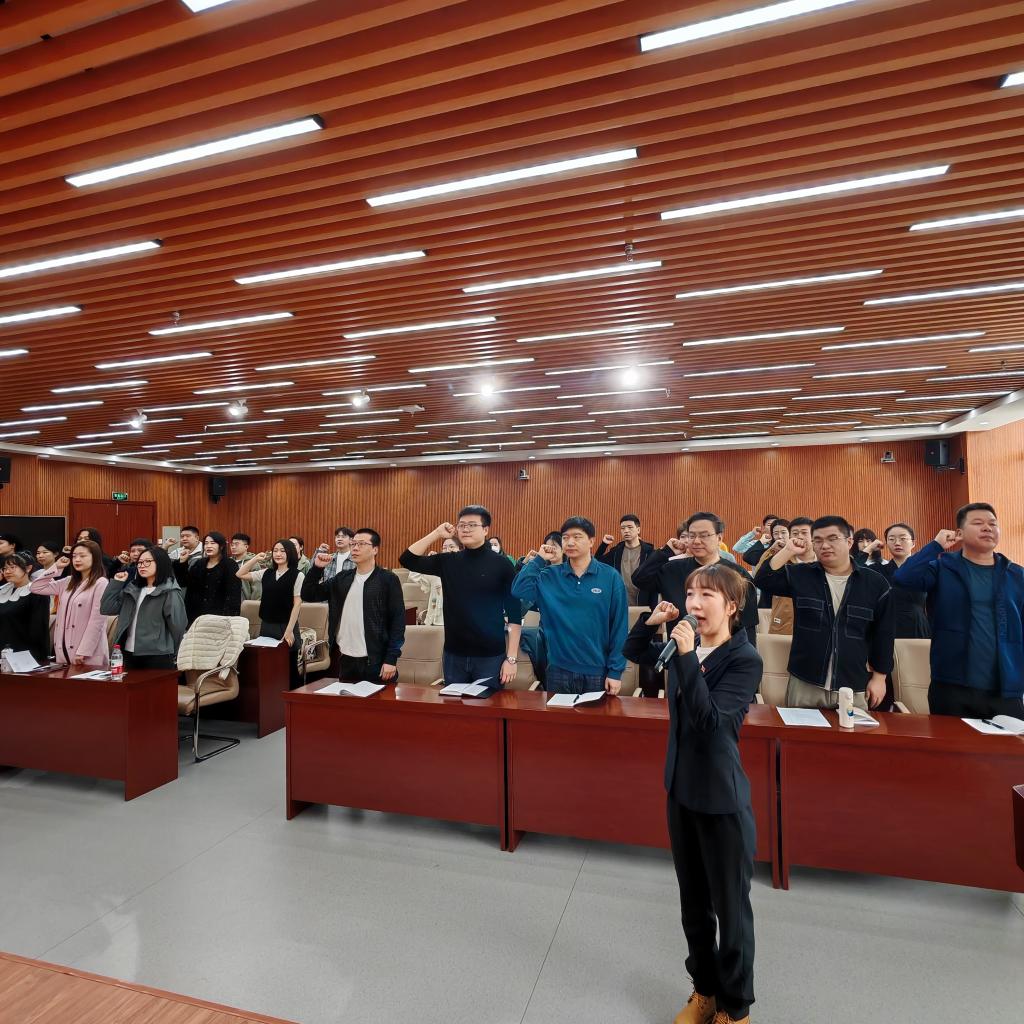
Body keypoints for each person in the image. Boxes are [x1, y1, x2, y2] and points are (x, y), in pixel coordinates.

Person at [627, 567, 760, 1024]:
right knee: (694, 906)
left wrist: (686, 656)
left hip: (721, 801)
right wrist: (649, 624)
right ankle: (704, 990)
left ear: (732, 606)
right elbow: (633, 654)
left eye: (707, 595)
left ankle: (736, 1009)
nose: (694, 603)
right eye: (690, 593)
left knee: (731, 912)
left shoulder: (744, 659)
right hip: (681, 792)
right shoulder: (684, 646)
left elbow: (710, 723)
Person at [894, 503, 1024, 718]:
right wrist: (936, 545)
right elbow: (904, 577)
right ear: (959, 533)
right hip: (951, 686)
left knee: (1010, 741)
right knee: (952, 740)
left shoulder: (1016, 575)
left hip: (1005, 690)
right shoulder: (942, 568)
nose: (987, 528)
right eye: (978, 523)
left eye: (993, 524)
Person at [756, 516, 893, 710]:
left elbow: (884, 634)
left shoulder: (875, 584)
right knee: (801, 729)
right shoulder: (801, 575)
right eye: (818, 540)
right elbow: (763, 579)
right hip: (805, 681)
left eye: (832, 538)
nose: (824, 545)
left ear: (849, 542)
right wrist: (788, 550)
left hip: (852, 683)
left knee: (850, 730)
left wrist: (879, 678)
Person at [400, 506, 522, 692]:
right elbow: (407, 559)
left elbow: (514, 614)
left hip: (490, 656)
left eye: (472, 525)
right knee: (455, 707)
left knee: (488, 708)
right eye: (462, 525)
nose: (465, 529)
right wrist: (437, 533)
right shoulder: (448, 561)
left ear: (486, 530)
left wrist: (511, 659)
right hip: (454, 655)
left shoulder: (502, 564)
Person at [512, 517, 628, 695]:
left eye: (577, 537)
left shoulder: (610, 577)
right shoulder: (549, 576)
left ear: (591, 541)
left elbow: (619, 627)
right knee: (558, 714)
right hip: (558, 670)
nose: (570, 542)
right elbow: (519, 590)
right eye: (565, 538)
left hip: (597, 671)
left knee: (595, 714)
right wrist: (539, 560)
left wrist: (615, 671)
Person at [632, 513, 759, 645]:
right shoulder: (672, 569)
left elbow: (748, 627)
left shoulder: (738, 575)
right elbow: (640, 579)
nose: (696, 541)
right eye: (691, 536)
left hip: (723, 654)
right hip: (678, 651)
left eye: (704, 535)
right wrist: (666, 552)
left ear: (719, 538)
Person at [302, 528, 405, 683]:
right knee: (346, 698)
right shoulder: (342, 579)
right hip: (345, 658)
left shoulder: (387, 580)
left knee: (378, 699)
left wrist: (391, 659)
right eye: (353, 544)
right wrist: (317, 568)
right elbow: (308, 594)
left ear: (375, 549)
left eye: (361, 544)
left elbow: (398, 621)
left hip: (376, 661)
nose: (355, 548)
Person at [101, 546, 187, 669]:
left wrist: (173, 652)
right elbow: (106, 608)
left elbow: (178, 626)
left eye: (147, 562)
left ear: (161, 563)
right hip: (127, 652)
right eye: (140, 562)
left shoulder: (169, 592)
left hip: (158, 655)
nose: (142, 566)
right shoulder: (132, 589)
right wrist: (116, 583)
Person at [31, 540, 110, 668]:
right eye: (74, 556)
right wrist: (56, 567)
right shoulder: (68, 581)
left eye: (82, 556)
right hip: (63, 648)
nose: (77, 559)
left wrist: (84, 651)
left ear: (95, 558)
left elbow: (97, 621)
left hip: (86, 652)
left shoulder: (101, 582)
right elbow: (36, 587)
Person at [864, 523, 929, 639]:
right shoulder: (878, 570)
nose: (897, 543)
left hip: (918, 630)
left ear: (913, 543)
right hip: (887, 630)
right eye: (891, 539)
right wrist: (869, 549)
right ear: (886, 543)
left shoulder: (926, 569)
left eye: (903, 538)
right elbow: (852, 572)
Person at [237, 540, 304, 650]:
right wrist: (255, 559)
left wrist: (289, 630)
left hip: (286, 625)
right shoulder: (266, 572)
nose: (278, 554)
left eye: (282, 551)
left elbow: (297, 604)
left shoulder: (298, 575)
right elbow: (240, 574)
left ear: (290, 553)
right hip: (266, 624)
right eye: (275, 551)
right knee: (267, 658)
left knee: (286, 658)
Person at [174, 531, 242, 623]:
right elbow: (184, 582)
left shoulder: (230, 565)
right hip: (196, 615)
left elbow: (234, 594)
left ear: (221, 546)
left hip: (219, 616)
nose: (208, 546)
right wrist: (182, 562)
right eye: (206, 543)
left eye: (212, 543)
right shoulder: (199, 563)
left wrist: (229, 618)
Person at [763, 517, 816, 635]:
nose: (799, 537)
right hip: (784, 624)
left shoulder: (825, 562)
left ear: (814, 536)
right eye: (795, 534)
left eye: (804, 533)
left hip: (816, 628)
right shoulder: (781, 559)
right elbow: (761, 578)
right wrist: (775, 551)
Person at [0, 553, 51, 663]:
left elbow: (39, 629)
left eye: (12, 567)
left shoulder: (37, 592)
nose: (7, 571)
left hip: (25, 654)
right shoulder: (2, 590)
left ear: (28, 568)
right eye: (5, 568)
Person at [596, 513, 656, 606]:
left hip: (644, 605)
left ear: (638, 530)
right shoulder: (616, 552)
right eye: (623, 528)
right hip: (620, 604)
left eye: (630, 527)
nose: (626, 531)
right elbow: (597, 562)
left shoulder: (649, 553)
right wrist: (604, 544)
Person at [407, 536, 461, 625]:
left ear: (460, 550)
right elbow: (413, 574)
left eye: (452, 547)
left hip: (456, 622)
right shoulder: (436, 571)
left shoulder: (466, 570)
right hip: (434, 620)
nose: (447, 550)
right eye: (444, 548)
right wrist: (428, 561)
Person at [230, 533, 261, 601]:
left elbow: (257, 587)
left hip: (245, 602)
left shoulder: (253, 563)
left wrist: (253, 604)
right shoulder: (228, 562)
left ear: (246, 547)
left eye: (236, 544)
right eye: (232, 544)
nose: (233, 547)